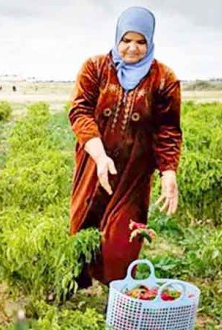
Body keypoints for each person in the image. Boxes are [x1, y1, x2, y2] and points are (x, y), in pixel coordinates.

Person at [68, 6, 182, 288]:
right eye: (126, 40)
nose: (132, 48)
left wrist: (169, 173)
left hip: (134, 173)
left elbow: (167, 130)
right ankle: (74, 283)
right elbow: (80, 112)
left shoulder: (164, 79)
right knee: (84, 224)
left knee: (123, 236)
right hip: (94, 166)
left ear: (150, 42)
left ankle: (117, 294)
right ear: (117, 38)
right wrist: (100, 155)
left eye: (141, 41)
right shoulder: (95, 68)